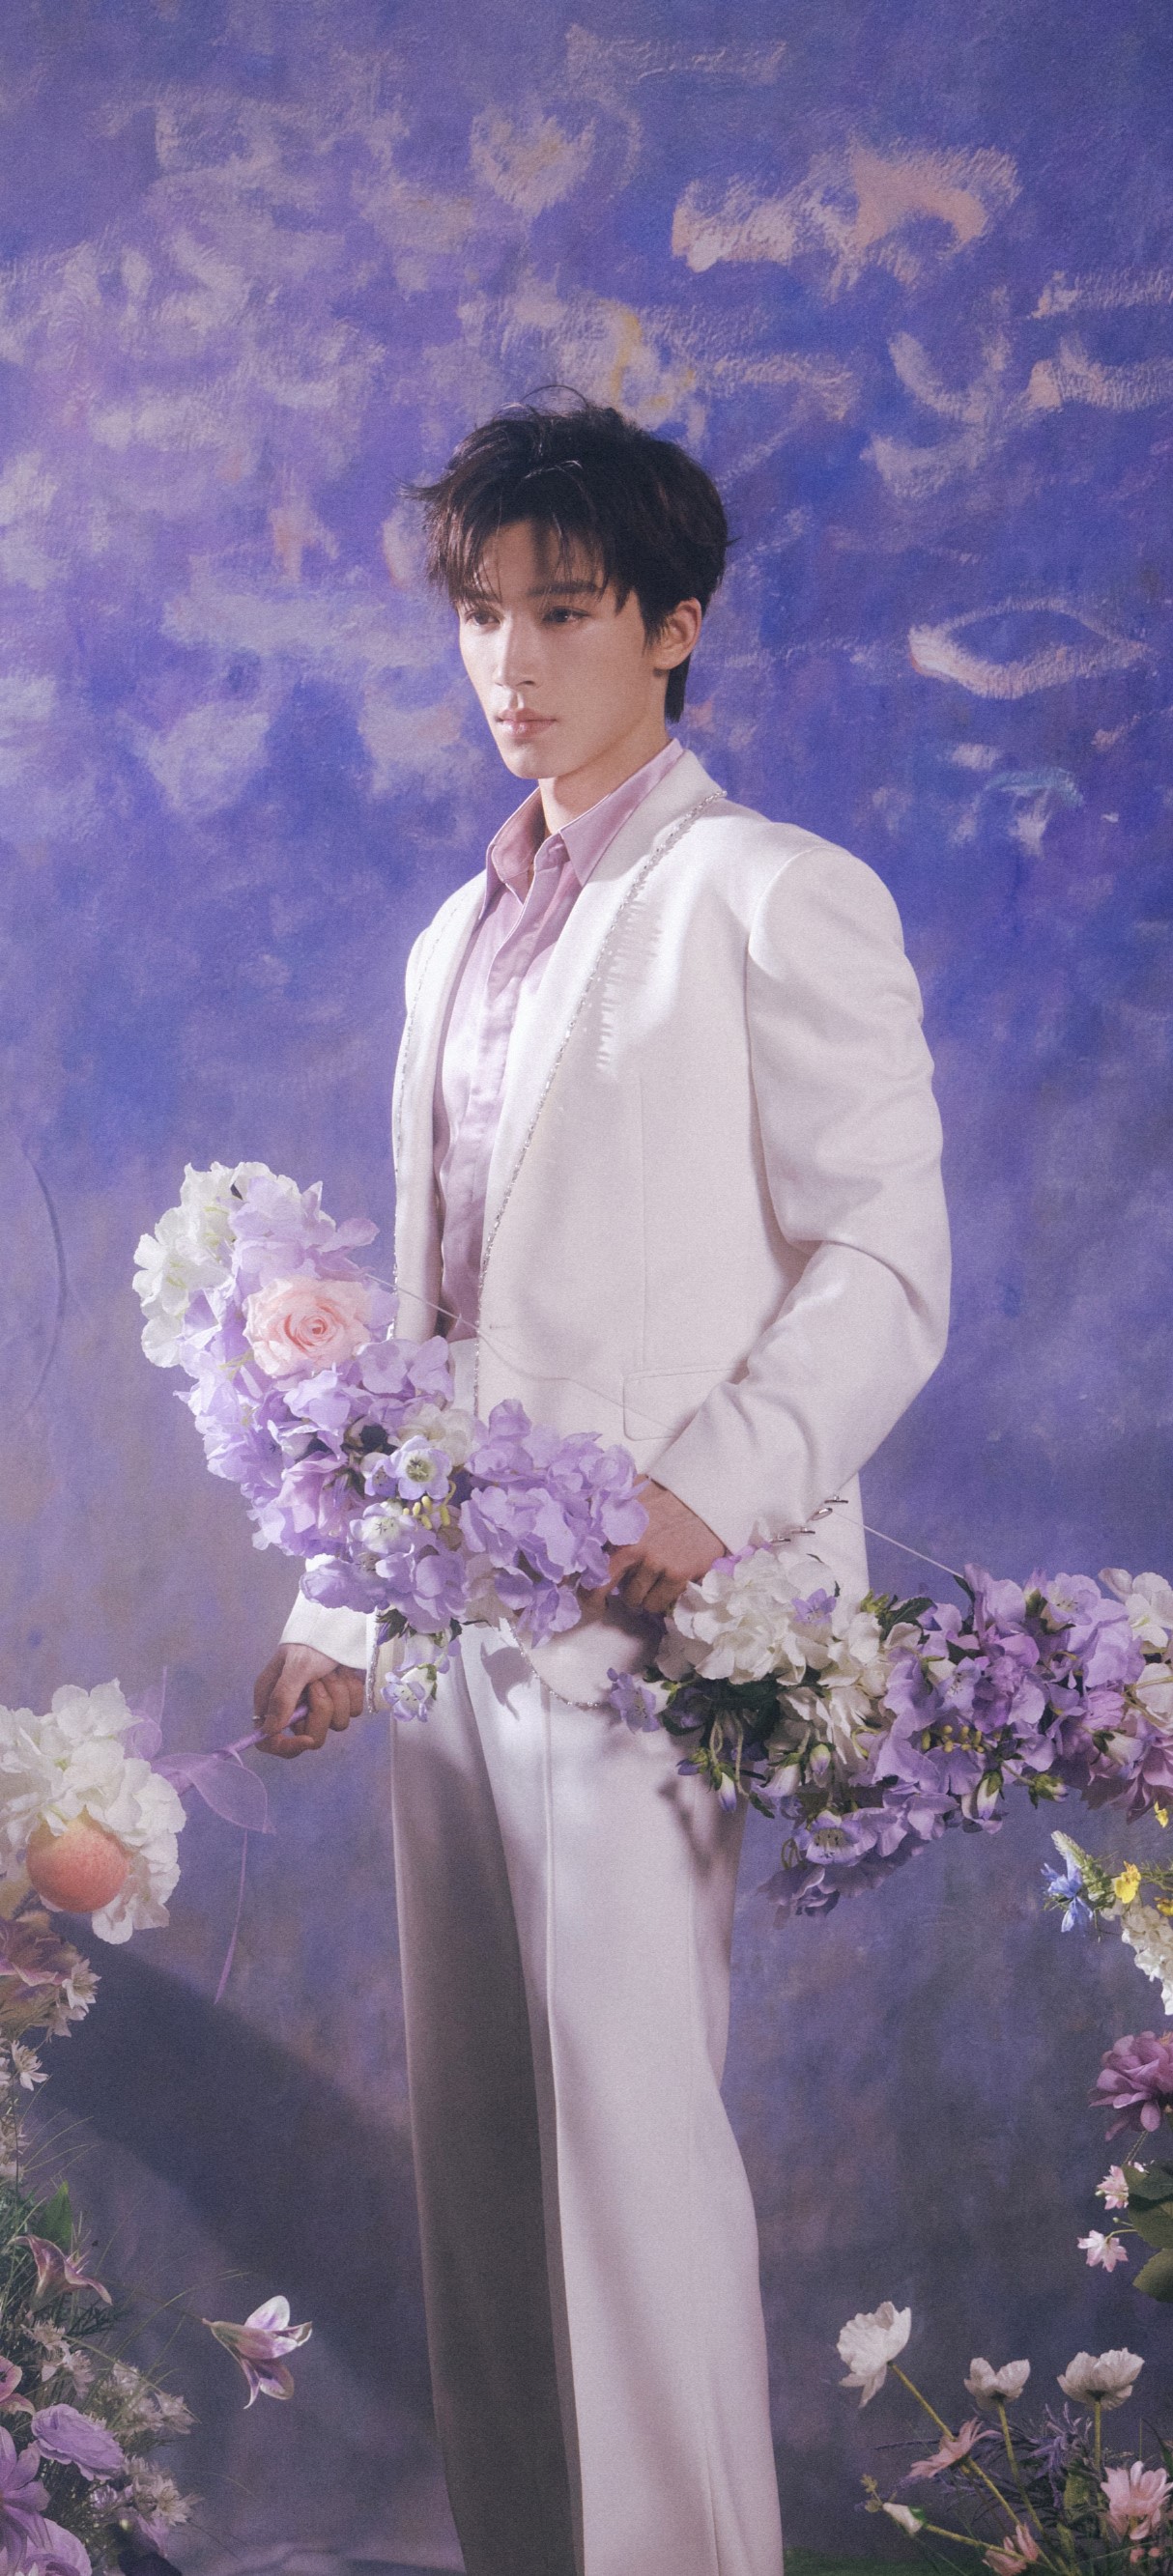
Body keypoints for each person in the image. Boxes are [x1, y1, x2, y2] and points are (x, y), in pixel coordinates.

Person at [253, 400, 951, 2576]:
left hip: (649, 1627)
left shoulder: (767, 894)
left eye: (562, 611)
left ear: (673, 624)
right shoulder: (451, 938)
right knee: (483, 2176)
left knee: (627, 2172)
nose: (512, 659)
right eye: (482, 615)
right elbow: (436, 1316)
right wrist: (336, 1601)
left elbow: (886, 1261)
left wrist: (706, 1491)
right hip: (446, 1623)